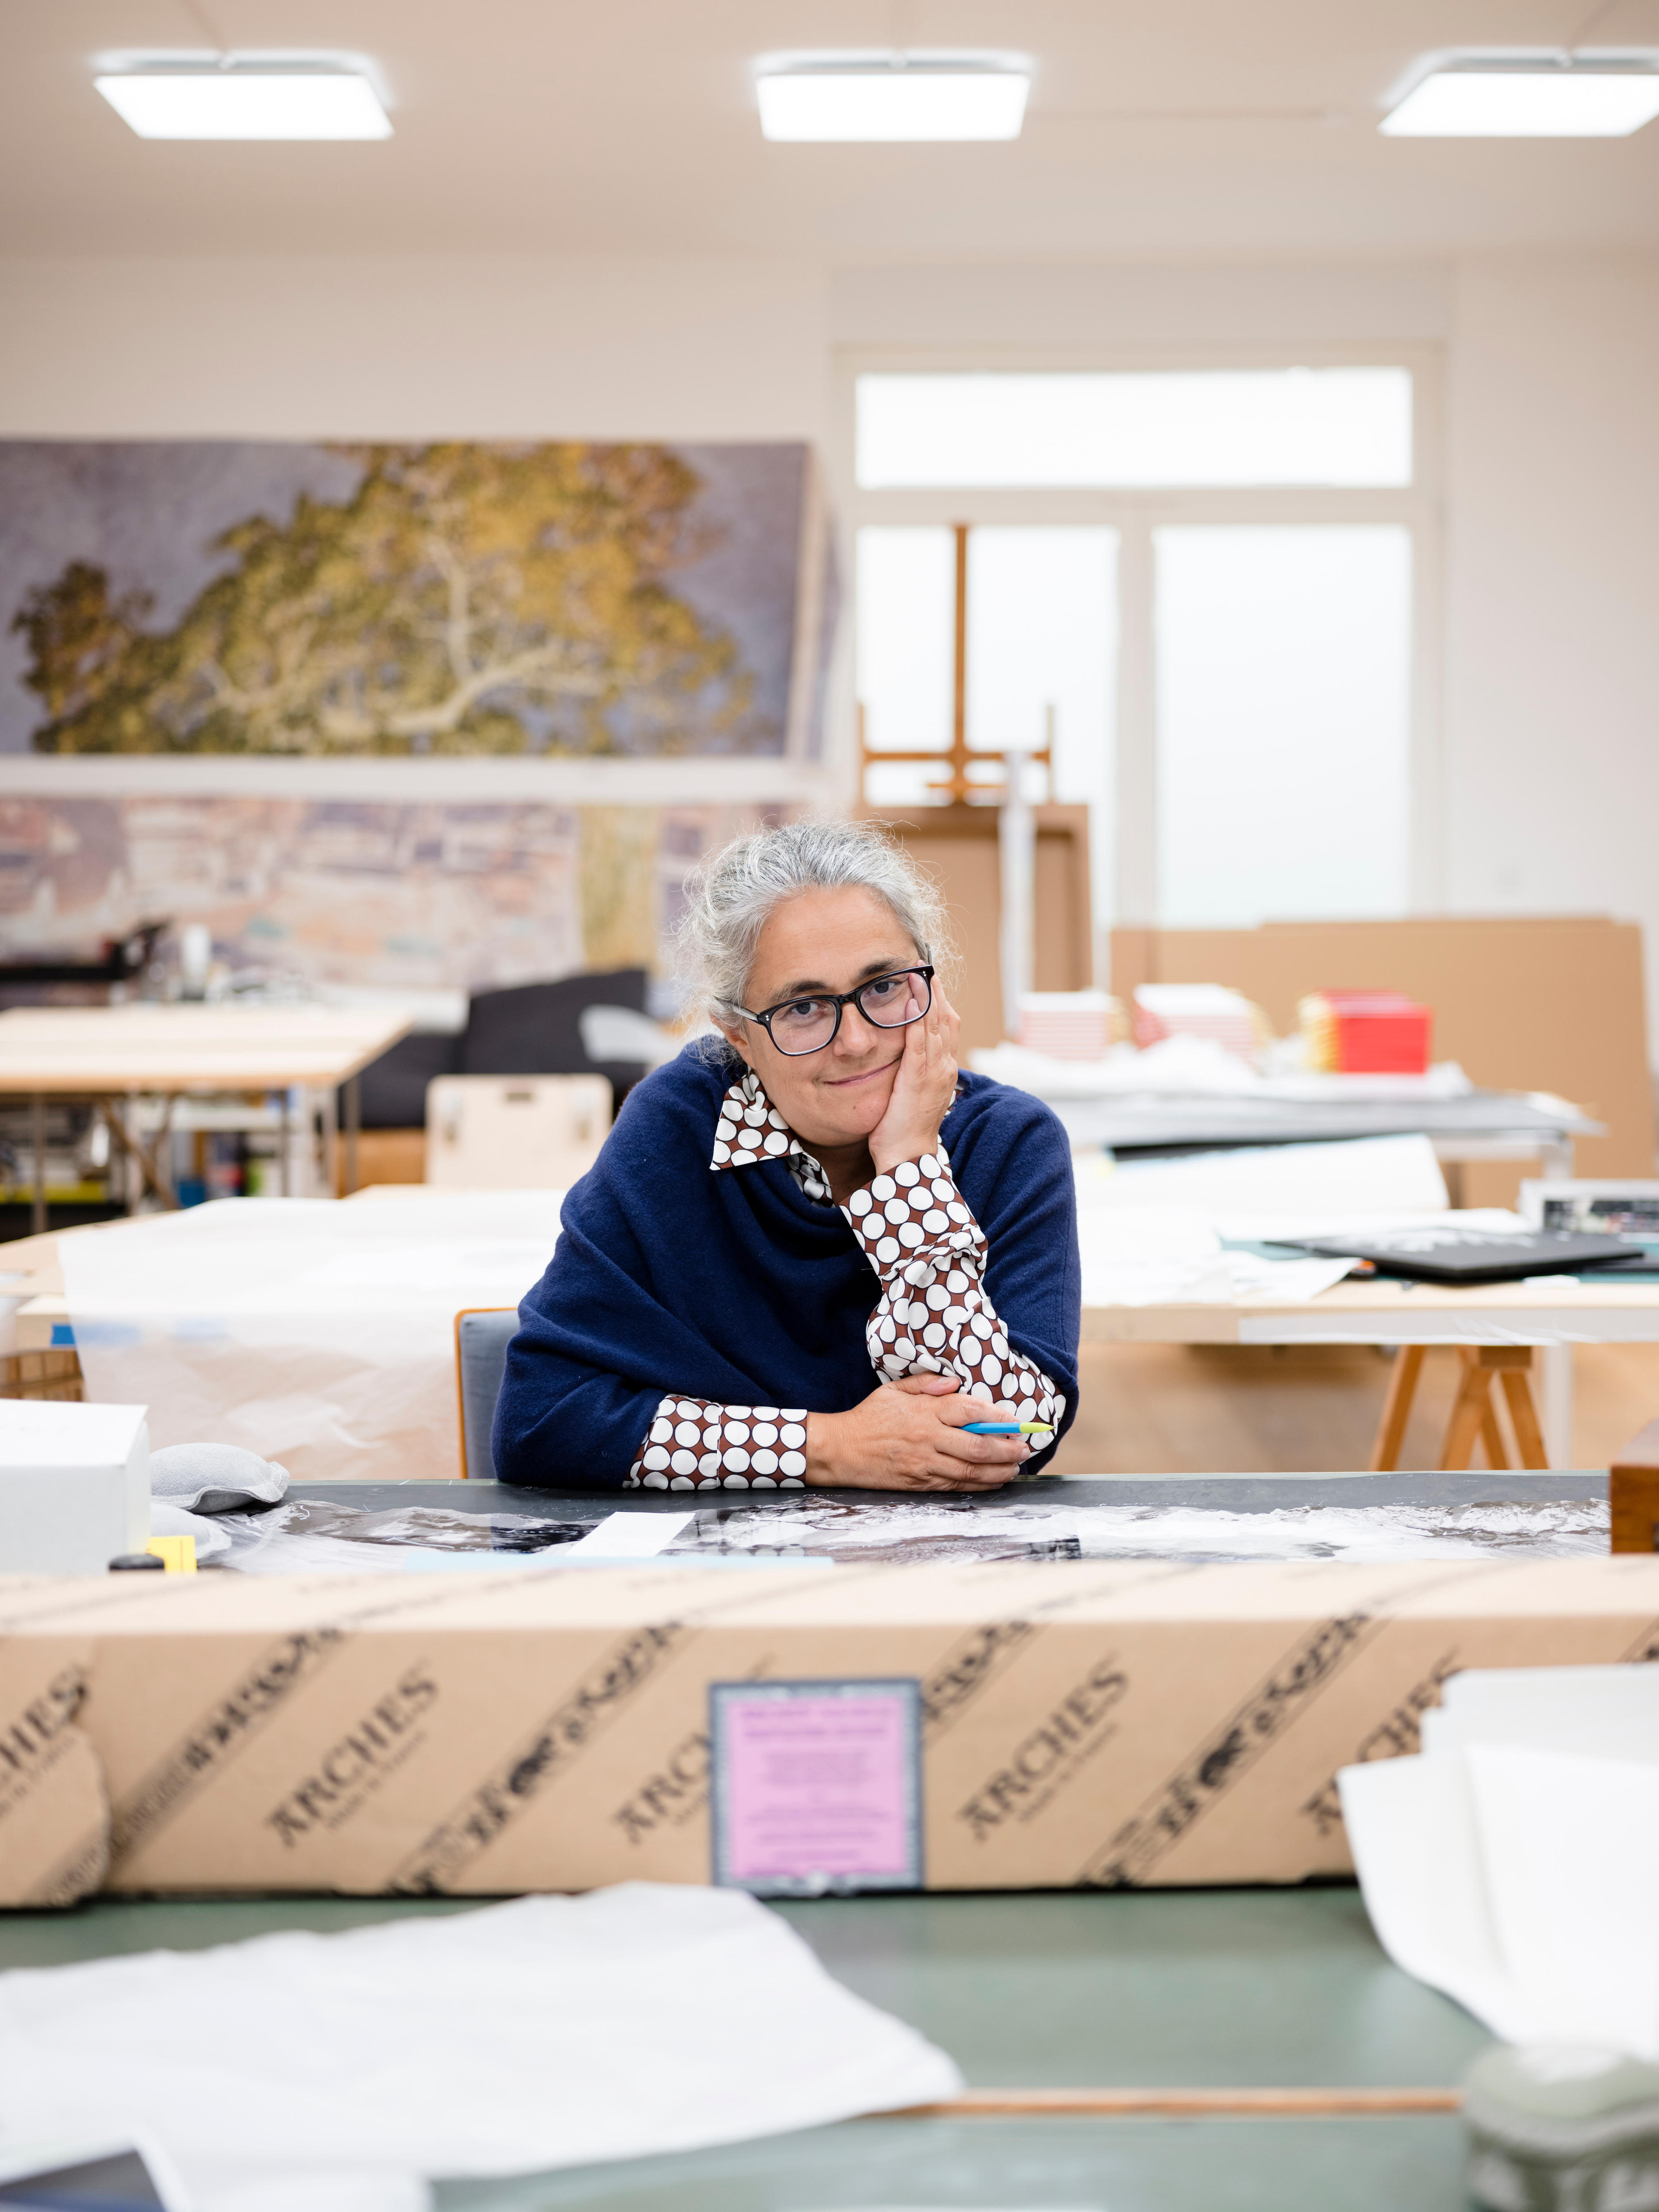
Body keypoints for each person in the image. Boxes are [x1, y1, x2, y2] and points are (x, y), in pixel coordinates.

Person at [493, 818, 1081, 1493]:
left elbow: (1015, 1433)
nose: (856, 1040)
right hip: (718, 1573)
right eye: (804, 1007)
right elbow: (541, 1420)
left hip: (941, 1575)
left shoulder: (1008, 1142)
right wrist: (832, 1446)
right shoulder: (680, 1127)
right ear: (738, 1035)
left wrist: (909, 1166)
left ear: (933, 992)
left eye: (885, 987)